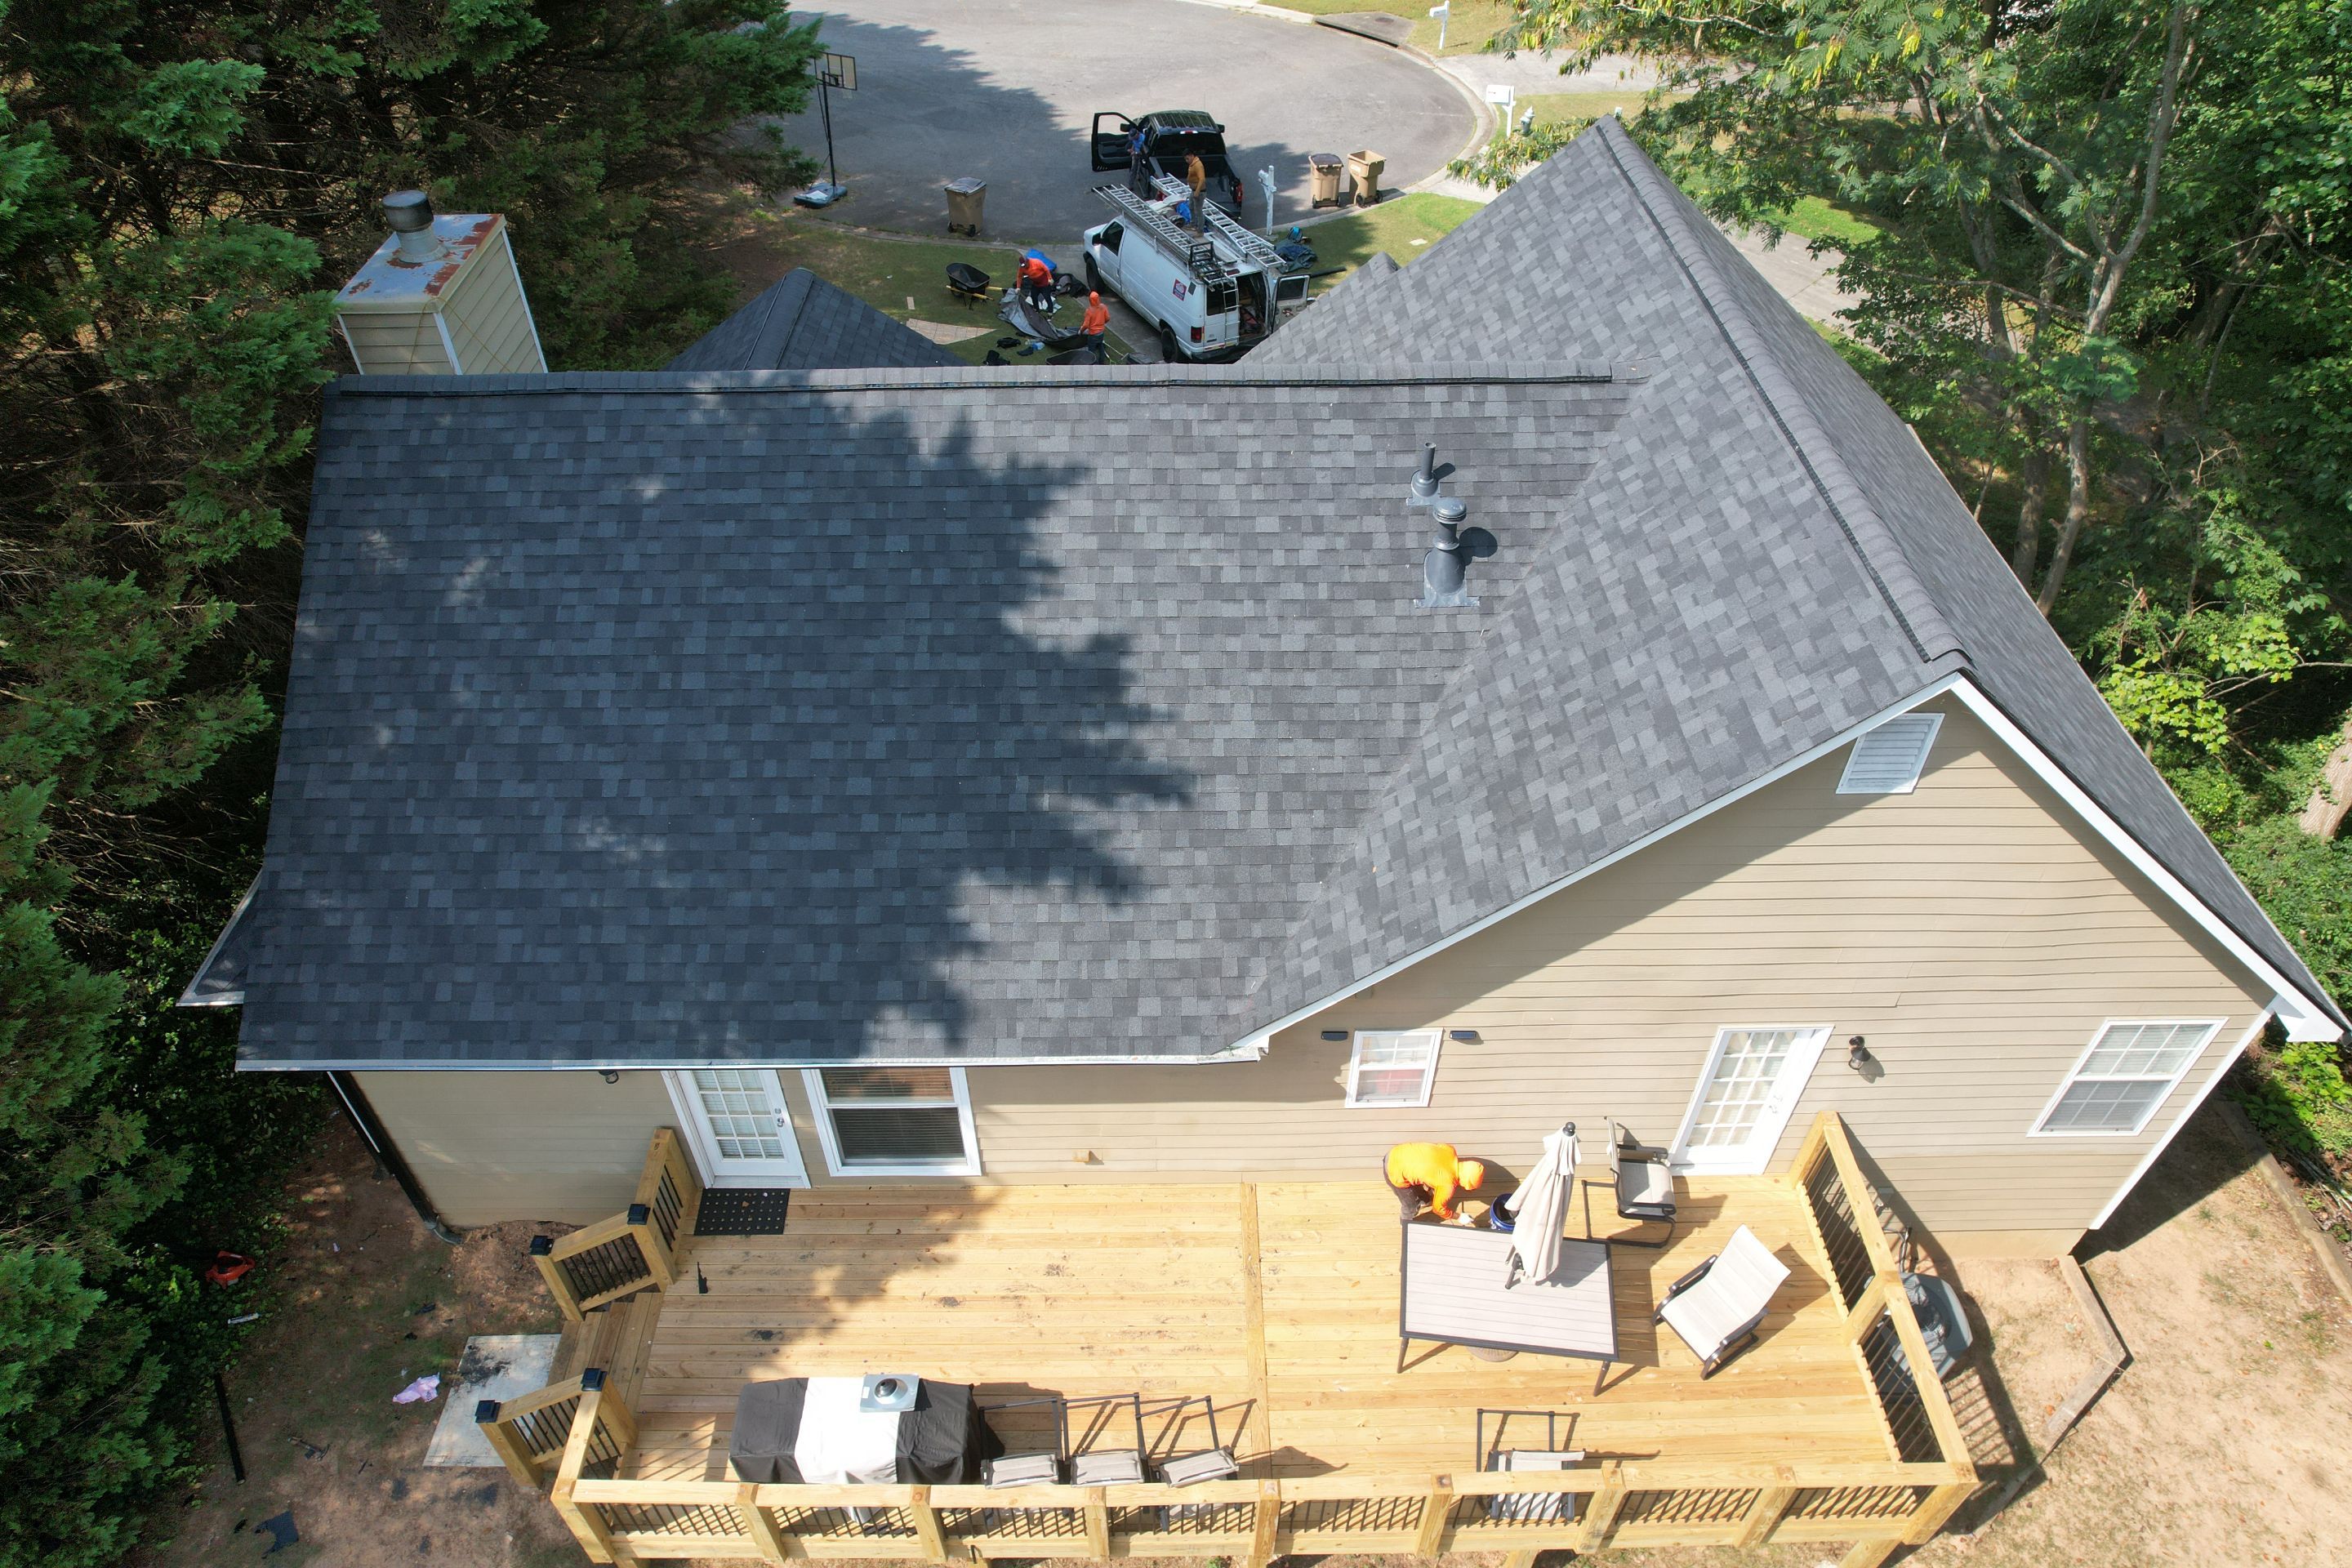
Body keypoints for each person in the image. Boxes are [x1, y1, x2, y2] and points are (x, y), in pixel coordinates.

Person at [1384, 1142, 1486, 1223]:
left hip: (1397, 1152)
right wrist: (1459, 1217)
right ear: (1466, 1182)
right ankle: (1405, 1224)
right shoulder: (1447, 1185)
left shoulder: (1450, 1151)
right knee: (1410, 1206)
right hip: (1394, 1171)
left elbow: (1437, 1154)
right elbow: (1438, 1209)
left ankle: (1425, 1201)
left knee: (1418, 1183)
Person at [1018, 252, 1054, 316]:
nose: (1024, 267)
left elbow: (1046, 269)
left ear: (1028, 261)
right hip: (1036, 284)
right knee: (1033, 296)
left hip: (1045, 284)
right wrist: (1018, 287)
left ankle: (1050, 312)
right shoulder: (1022, 268)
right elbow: (1019, 276)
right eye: (1023, 265)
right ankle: (1036, 309)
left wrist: (1050, 278)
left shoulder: (1036, 262)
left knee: (1047, 297)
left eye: (1025, 265)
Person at [1078, 290, 1110, 356]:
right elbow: (1107, 318)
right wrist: (1101, 323)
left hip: (1093, 335)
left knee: (1091, 351)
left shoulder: (1089, 311)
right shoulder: (1103, 307)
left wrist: (1081, 331)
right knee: (1100, 346)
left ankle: (1093, 364)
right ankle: (1102, 362)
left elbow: (1086, 325)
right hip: (1101, 332)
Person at [1184, 152, 1208, 229]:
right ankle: (1193, 223)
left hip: (1199, 192)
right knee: (1191, 206)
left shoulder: (1198, 165)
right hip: (1193, 190)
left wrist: (1197, 191)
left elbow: (1202, 179)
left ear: (1192, 156)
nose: (1186, 161)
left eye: (1187, 159)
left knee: (1198, 211)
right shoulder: (1192, 164)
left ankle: (1200, 230)